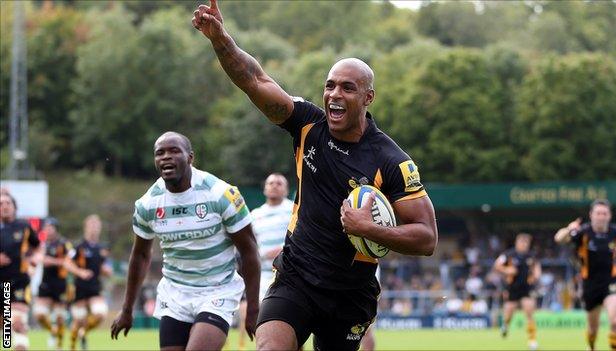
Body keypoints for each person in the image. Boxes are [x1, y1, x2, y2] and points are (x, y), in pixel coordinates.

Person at [192, 2, 438, 350]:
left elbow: (427, 238)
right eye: (330, 85)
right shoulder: (308, 125)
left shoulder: (391, 161)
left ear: (368, 97)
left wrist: (368, 229)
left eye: (348, 88)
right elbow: (255, 80)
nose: (335, 95)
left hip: (350, 293)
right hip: (295, 277)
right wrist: (220, 38)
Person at [110, 131, 261, 351]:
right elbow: (140, 256)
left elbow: (249, 252)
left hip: (217, 291)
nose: (166, 157)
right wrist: (126, 309)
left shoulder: (220, 194)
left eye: (174, 151)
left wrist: (253, 308)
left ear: (190, 157)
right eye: (159, 153)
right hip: (175, 294)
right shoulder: (148, 204)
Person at [555, 199, 616, 351]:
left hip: (611, 281)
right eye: (598, 213)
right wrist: (568, 228)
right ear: (591, 215)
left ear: (609, 216)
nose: (601, 216)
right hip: (590, 284)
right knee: (593, 328)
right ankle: (591, 347)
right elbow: (559, 238)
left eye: (604, 213)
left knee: (614, 322)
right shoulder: (582, 232)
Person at [238, 173, 293, 350]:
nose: (274, 185)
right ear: (264, 188)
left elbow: (302, 240)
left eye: (279, 183)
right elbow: (248, 246)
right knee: (263, 323)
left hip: (289, 275)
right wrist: (261, 254)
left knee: (292, 325)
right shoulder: (255, 215)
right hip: (263, 276)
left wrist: (281, 251)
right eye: (271, 183)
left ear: (286, 189)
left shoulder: (293, 211)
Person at [33, 217, 92, 350]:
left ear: (55, 229)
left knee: (60, 318)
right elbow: (38, 259)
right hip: (45, 284)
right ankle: (52, 331)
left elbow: (68, 262)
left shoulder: (64, 244)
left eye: (51, 227)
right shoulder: (42, 244)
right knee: (39, 314)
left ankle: (59, 345)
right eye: (46, 227)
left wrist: (52, 261)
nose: (48, 230)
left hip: (60, 284)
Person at [0, 191, 42, 350]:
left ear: (14, 207)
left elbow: (38, 247)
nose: (4, 206)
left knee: (18, 322)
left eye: (7, 203)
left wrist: (36, 258)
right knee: (6, 329)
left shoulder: (23, 226)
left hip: (19, 282)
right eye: (1, 204)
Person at [69, 214, 112, 350]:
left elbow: (104, 267)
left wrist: (106, 270)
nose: (94, 228)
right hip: (80, 289)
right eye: (91, 225)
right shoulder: (78, 246)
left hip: (95, 288)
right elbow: (67, 262)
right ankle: (73, 346)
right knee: (78, 321)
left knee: (100, 313)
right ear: (86, 227)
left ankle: (83, 332)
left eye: (96, 225)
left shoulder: (102, 248)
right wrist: (79, 272)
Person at [494, 233, 541, 350]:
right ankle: (505, 326)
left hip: (527, 288)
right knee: (508, 315)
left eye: (526, 243)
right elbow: (497, 265)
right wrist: (507, 270)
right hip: (512, 288)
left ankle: (532, 340)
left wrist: (536, 275)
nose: (524, 245)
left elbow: (537, 267)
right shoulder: (508, 254)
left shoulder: (531, 256)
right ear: (517, 243)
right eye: (522, 242)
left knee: (529, 313)